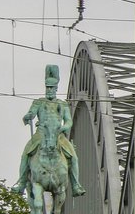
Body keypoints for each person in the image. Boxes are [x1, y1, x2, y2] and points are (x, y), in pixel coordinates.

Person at [11, 64, 85, 196]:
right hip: (41, 134)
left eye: (52, 87)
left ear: (56, 88)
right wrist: (28, 116)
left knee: (74, 157)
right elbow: (31, 113)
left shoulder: (62, 104)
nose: (49, 90)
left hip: (58, 135)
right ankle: (21, 183)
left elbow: (69, 121)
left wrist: (64, 127)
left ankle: (76, 185)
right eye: (47, 87)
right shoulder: (38, 102)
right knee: (25, 155)